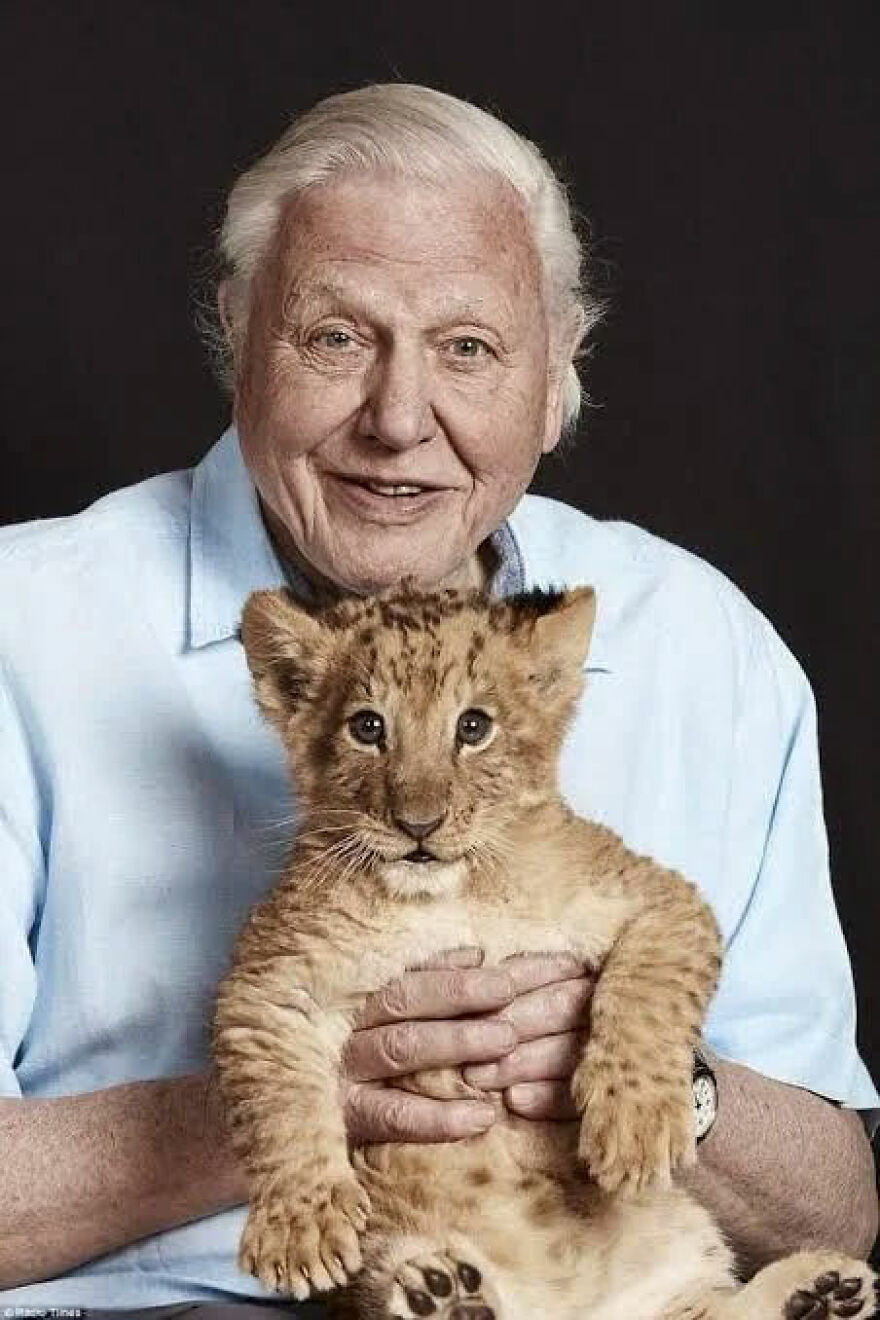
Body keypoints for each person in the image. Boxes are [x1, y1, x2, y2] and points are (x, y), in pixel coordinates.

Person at [0, 83, 876, 1316]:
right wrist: (302, 1093)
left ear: (557, 370)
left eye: (467, 348)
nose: (399, 421)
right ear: (238, 332)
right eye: (336, 338)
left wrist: (657, 1075)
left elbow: (836, 1204)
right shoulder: (22, 624)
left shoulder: (703, 646)